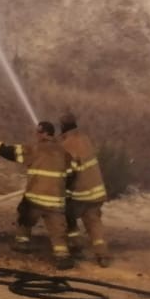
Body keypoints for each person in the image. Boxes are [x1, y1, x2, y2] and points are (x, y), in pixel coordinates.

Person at [0, 121, 74, 270]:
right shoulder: (63, 152)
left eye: (38, 132)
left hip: (35, 198)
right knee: (57, 231)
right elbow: (71, 174)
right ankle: (63, 257)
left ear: (44, 134)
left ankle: (22, 242)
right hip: (56, 201)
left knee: (24, 214)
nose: (36, 135)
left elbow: (10, 151)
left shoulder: (34, 149)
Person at [59, 111, 110, 267]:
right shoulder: (85, 139)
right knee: (94, 223)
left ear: (62, 127)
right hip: (97, 193)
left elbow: (70, 171)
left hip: (80, 194)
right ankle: (102, 255)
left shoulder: (67, 145)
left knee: (67, 216)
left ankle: (76, 246)